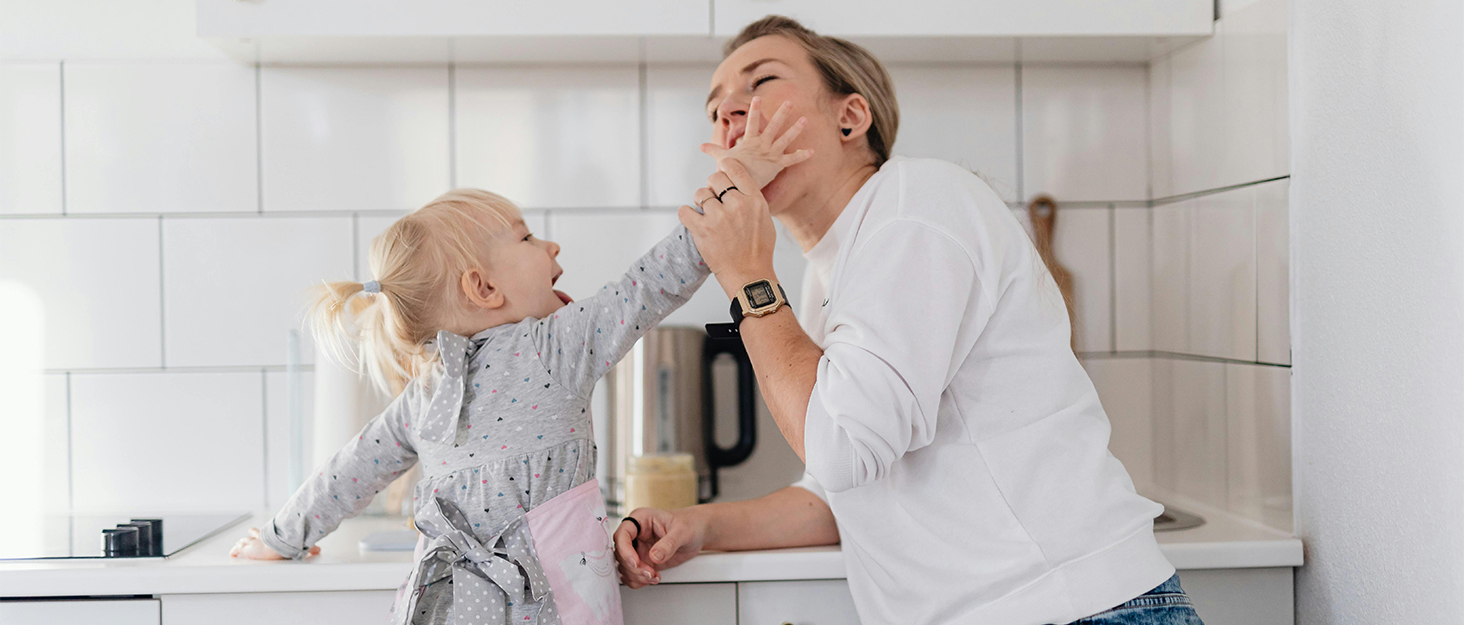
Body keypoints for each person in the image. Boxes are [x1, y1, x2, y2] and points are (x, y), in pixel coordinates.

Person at [614, 15, 1205, 625]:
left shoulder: (917, 206)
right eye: (714, 109)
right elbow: (837, 492)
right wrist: (697, 525)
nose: (730, 112)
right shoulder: (832, 270)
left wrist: (747, 277)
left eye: (760, 81)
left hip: (1070, 609)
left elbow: (841, 449)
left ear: (851, 117)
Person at [226, 116, 811, 625]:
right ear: (482, 288)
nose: (552, 247)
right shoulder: (552, 347)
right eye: (527, 237)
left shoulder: (426, 390)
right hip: (559, 607)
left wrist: (280, 537)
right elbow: (659, 276)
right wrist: (736, 182)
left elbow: (348, 472)